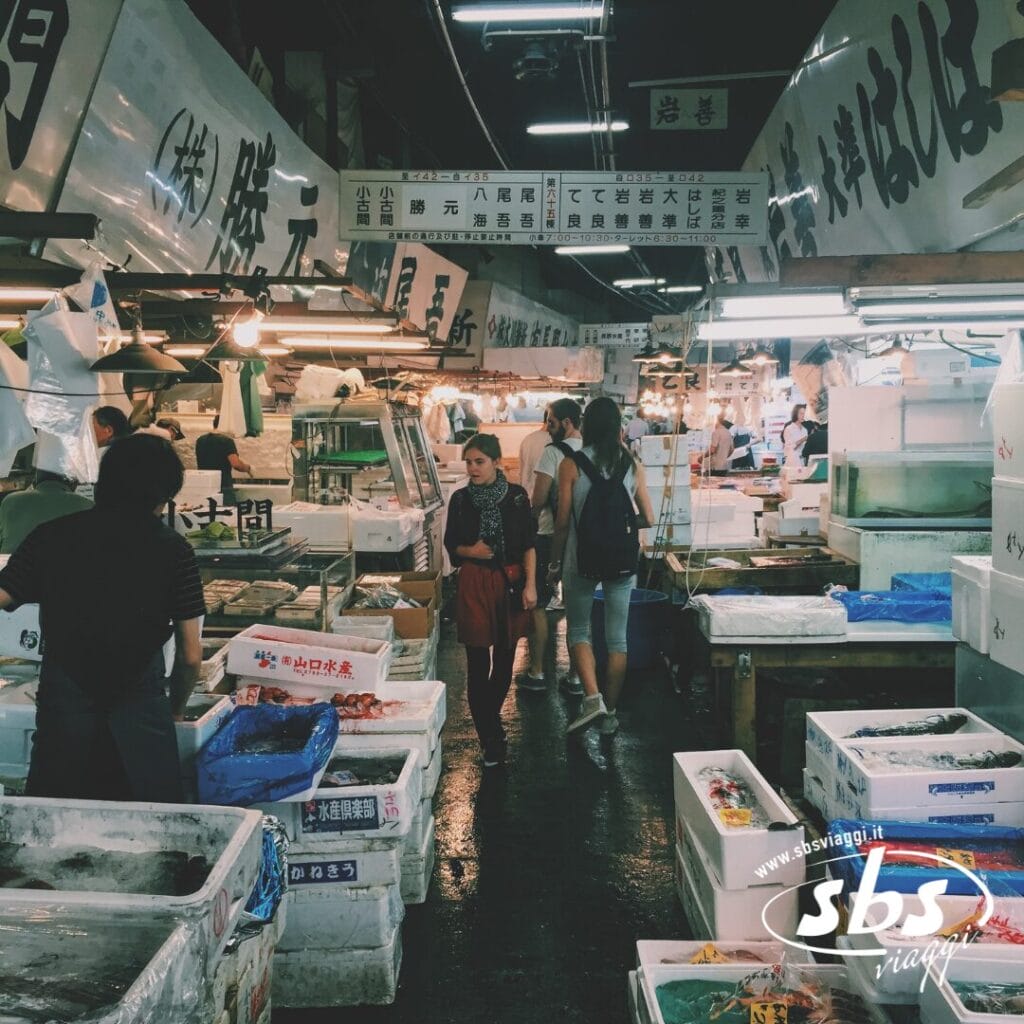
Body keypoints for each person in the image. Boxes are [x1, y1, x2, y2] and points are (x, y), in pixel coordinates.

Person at [0, 434, 205, 801]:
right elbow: (190, 655)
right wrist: (174, 711)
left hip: (64, 713)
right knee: (151, 839)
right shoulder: (175, 550)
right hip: (142, 718)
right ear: (165, 494)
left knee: (51, 831)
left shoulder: (51, 536)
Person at [549, 397, 654, 737]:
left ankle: (591, 697)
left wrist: (554, 563)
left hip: (581, 560)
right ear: (618, 426)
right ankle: (609, 715)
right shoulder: (632, 464)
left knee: (578, 630)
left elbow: (562, 521)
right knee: (617, 640)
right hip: (622, 561)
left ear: (587, 425)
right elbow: (648, 518)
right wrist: (620, 524)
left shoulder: (570, 465)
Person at [444, 434, 537, 768]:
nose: (472, 468)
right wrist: (474, 551)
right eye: (468, 462)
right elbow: (451, 545)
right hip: (473, 581)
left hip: (510, 582)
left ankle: (490, 718)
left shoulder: (516, 497)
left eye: (479, 461)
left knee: (505, 659)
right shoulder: (459, 500)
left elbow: (528, 543)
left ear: (497, 462)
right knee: (477, 661)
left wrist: (532, 586)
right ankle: (490, 738)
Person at [518, 398, 584, 695]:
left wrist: (526, 518)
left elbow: (539, 498)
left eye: (552, 421)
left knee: (541, 603)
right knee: (577, 609)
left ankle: (538, 671)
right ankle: (575, 677)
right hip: (581, 538)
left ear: (567, 422)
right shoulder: (591, 451)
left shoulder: (552, 453)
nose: (548, 426)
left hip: (548, 535)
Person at [0, 470, 93, 554]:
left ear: (35, 480)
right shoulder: (88, 506)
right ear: (72, 481)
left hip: (15, 569)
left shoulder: (10, 501)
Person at [196, 416, 252, 503]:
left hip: (205, 485)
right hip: (223, 486)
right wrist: (247, 468)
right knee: (227, 514)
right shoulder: (226, 441)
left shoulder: (200, 440)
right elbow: (236, 464)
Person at [518, 419, 551, 499]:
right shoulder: (552, 441)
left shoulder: (528, 439)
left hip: (526, 494)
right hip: (541, 499)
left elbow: (521, 470)